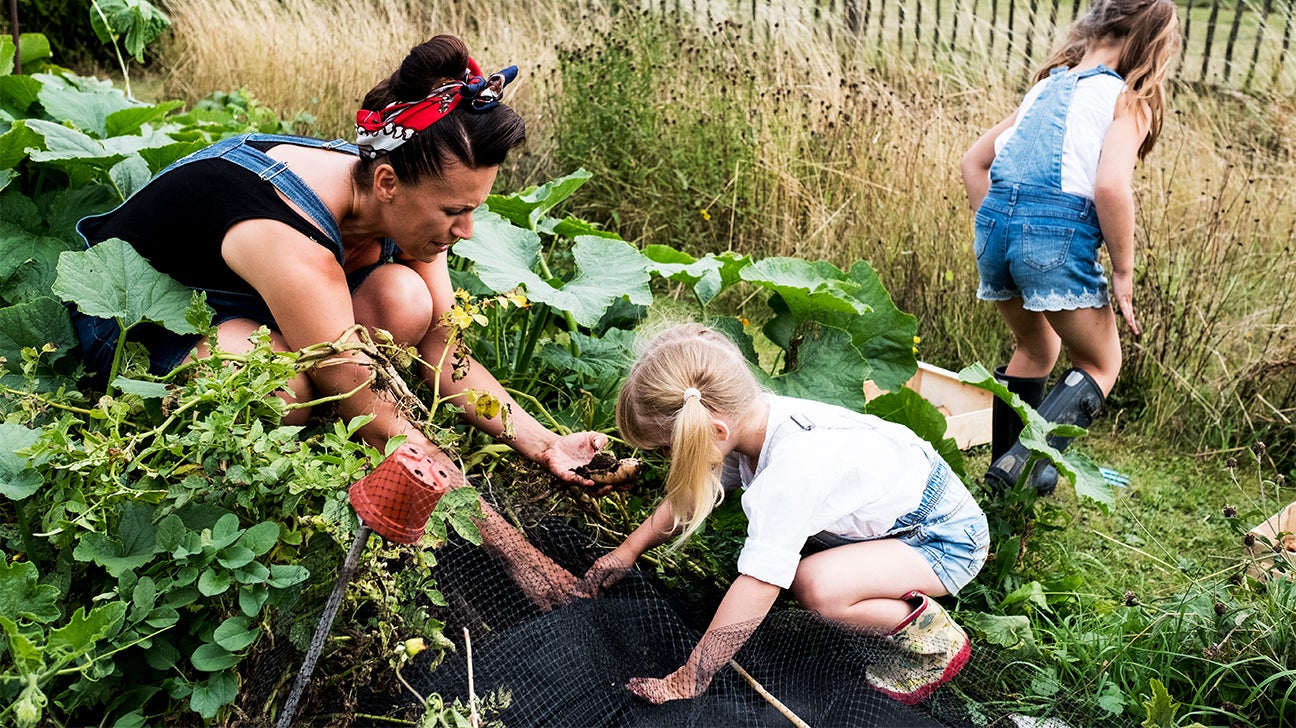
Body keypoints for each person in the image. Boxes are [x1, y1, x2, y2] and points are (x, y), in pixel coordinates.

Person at [69, 34, 607, 488]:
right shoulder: (289, 229)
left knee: (406, 300)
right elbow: (358, 384)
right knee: (279, 390)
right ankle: (219, 434)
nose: (465, 232)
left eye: (473, 211)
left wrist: (545, 443)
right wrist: (446, 481)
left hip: (258, 304)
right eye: (453, 212)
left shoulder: (399, 184)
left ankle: (310, 387)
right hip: (135, 312)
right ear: (388, 183)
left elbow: (444, 343)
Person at [579, 323, 988, 705]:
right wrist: (628, 551)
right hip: (910, 503)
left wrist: (689, 679)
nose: (668, 460)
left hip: (942, 537)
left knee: (815, 586)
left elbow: (760, 583)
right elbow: (690, 496)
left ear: (715, 432)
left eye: (668, 450)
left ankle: (934, 640)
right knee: (802, 567)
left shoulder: (792, 469)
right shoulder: (752, 419)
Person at [960, 0, 1180, 494]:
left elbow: (974, 163)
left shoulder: (1044, 87)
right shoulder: (1128, 99)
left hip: (996, 231)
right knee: (1102, 364)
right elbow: (1110, 188)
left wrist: (1000, 231)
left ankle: (1004, 479)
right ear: (1152, 42)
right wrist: (1122, 271)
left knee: (1037, 345)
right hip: (1054, 239)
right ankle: (1021, 469)